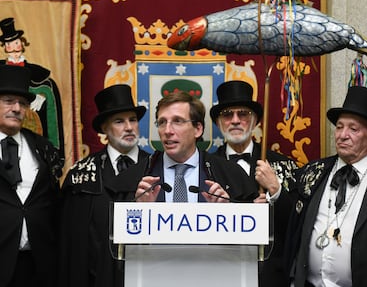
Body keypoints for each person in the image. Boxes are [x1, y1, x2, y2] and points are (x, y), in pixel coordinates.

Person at [280, 86, 367, 287]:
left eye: (353, 129)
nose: (342, 135)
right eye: (339, 127)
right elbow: (291, 227)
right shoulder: (313, 172)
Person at [58, 84, 150, 287]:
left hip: (144, 273)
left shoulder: (156, 170)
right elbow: (69, 243)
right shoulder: (81, 175)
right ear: (105, 129)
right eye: (119, 121)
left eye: (132, 120)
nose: (128, 127)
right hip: (95, 276)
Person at [209, 80, 297, 287]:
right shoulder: (205, 167)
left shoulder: (282, 165)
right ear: (218, 123)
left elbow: (297, 223)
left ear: (256, 120)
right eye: (228, 114)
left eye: (243, 114)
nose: (236, 120)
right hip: (220, 271)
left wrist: (275, 192)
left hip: (270, 274)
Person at [0, 65, 64, 287]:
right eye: (9, 101)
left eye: (23, 103)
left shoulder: (42, 147)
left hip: (38, 267)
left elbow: (53, 202)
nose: (17, 108)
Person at [135, 90, 258, 203]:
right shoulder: (137, 175)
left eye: (177, 121)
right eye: (162, 122)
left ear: (198, 129)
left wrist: (226, 211)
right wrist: (139, 208)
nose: (167, 131)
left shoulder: (231, 173)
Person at [0, 17, 64, 158]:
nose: (14, 48)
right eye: (9, 44)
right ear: (4, 47)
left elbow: (46, 89)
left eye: (16, 43)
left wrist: (41, 96)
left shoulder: (37, 73)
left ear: (22, 44)